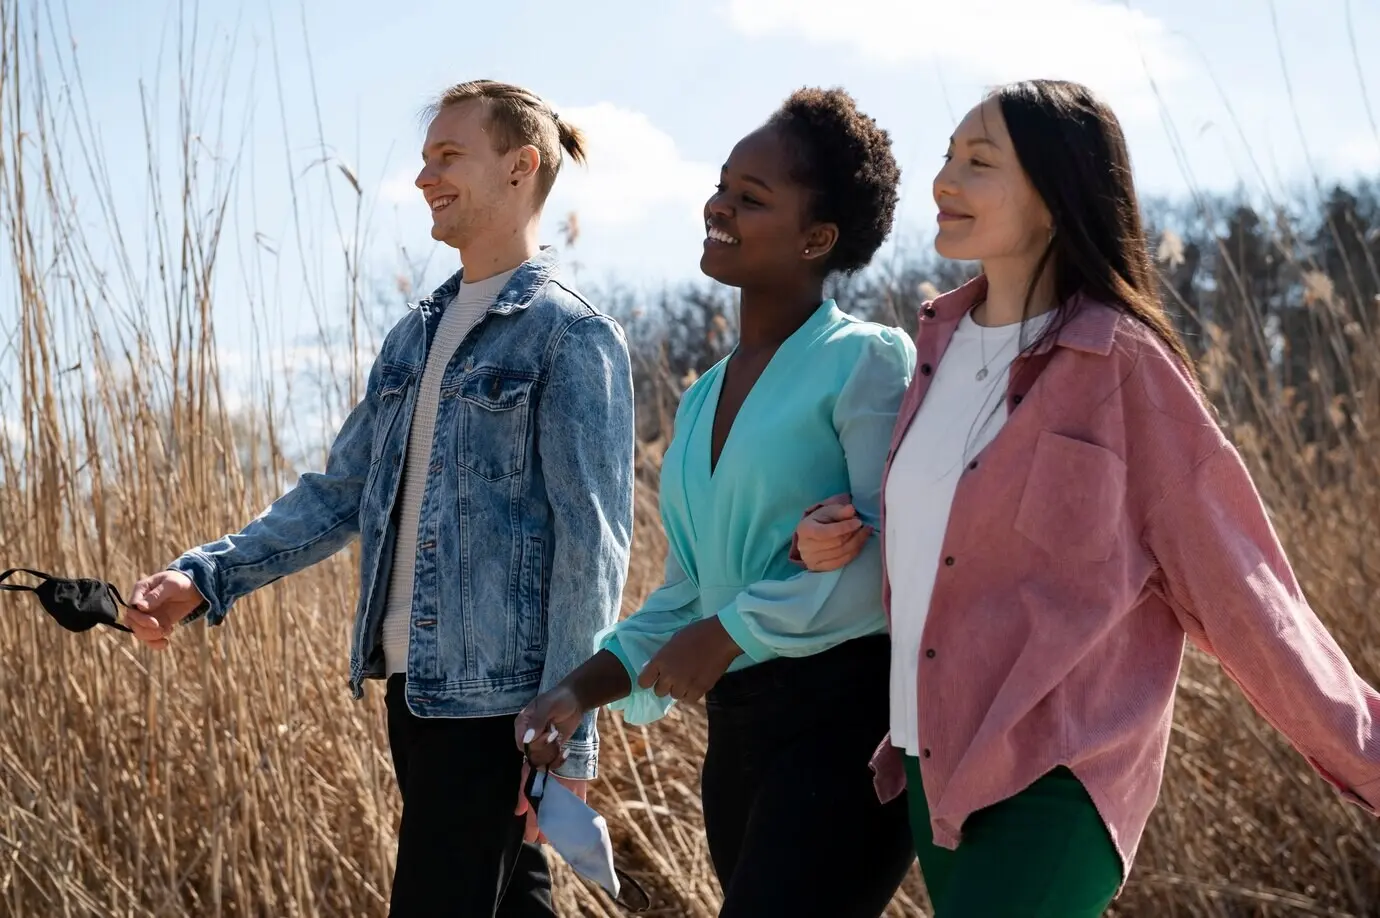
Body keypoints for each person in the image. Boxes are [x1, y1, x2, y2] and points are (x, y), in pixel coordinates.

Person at [792, 79, 1380, 917]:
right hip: (936, 761)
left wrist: (1368, 754)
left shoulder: (1124, 368)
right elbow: (952, 537)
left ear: (1054, 196)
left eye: (979, 162)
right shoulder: (936, 346)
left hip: (1060, 769)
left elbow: (1247, 590)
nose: (944, 181)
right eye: (947, 157)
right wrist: (826, 538)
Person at [124, 80, 635, 918]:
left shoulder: (571, 336)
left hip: (498, 706)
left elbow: (595, 542)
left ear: (519, 166)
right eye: (425, 156)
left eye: (447, 155)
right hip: (413, 692)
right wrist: (203, 575)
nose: (423, 175)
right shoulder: (415, 333)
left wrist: (566, 725)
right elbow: (339, 494)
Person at [517, 87, 916, 917]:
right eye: (722, 184)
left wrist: (727, 634)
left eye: (751, 197)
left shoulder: (869, 362)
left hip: (846, 727)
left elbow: (891, 561)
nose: (718, 205)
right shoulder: (699, 401)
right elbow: (692, 592)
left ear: (818, 238)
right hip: (736, 744)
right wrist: (575, 692)